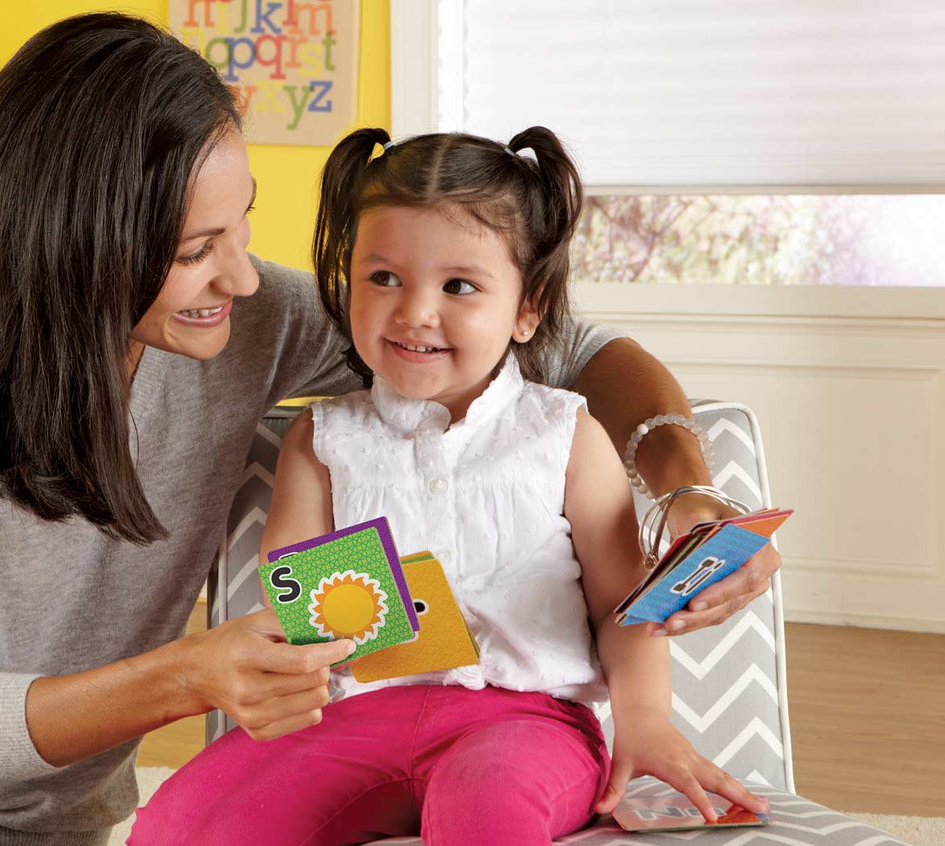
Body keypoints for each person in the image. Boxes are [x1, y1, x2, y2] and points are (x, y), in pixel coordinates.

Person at [0, 12, 777, 846]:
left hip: (50, 829)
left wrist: (684, 486)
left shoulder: (246, 322)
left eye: (240, 227)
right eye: (198, 247)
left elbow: (578, 353)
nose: (241, 277)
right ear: (72, 244)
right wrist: (196, 672)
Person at [128, 127, 770, 846]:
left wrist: (646, 726)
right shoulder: (322, 439)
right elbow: (295, 594)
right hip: (349, 717)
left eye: (458, 286)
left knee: (485, 814)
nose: (414, 312)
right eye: (383, 278)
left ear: (528, 307)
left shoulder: (564, 435)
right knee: (178, 826)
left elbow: (623, 607)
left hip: (528, 722)